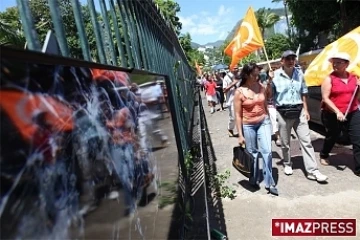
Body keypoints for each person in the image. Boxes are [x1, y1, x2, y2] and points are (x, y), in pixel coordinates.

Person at [272, 50, 328, 182]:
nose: (291, 61)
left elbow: (303, 92)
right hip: (283, 112)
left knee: (306, 141)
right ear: (282, 61)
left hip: (299, 111)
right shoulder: (274, 75)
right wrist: (269, 81)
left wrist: (306, 110)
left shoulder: (300, 74)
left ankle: (312, 171)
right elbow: (269, 96)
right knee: (285, 143)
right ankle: (287, 163)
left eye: (293, 58)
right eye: (288, 59)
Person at [234, 63, 277, 195]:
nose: (257, 76)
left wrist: (270, 80)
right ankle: (253, 177)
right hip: (248, 125)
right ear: (247, 75)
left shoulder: (261, 86)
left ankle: (269, 182)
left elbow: (269, 96)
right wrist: (240, 135)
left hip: (263, 121)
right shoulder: (239, 92)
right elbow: (237, 115)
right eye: (255, 74)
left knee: (267, 152)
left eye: (258, 73)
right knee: (252, 153)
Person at [320, 53, 360, 176]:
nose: (335, 65)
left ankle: (359, 169)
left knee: (357, 139)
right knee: (333, 135)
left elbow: (357, 97)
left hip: (353, 111)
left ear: (347, 64)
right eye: (334, 62)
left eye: (338, 62)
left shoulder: (354, 78)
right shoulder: (329, 79)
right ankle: (324, 154)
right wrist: (337, 111)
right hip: (332, 113)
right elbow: (325, 98)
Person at [223, 68, 240, 136]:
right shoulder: (226, 78)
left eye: (237, 67)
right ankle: (230, 128)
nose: (237, 69)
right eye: (235, 68)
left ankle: (242, 131)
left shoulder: (240, 76)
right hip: (231, 100)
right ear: (231, 69)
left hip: (240, 99)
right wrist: (233, 83)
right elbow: (224, 90)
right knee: (233, 117)